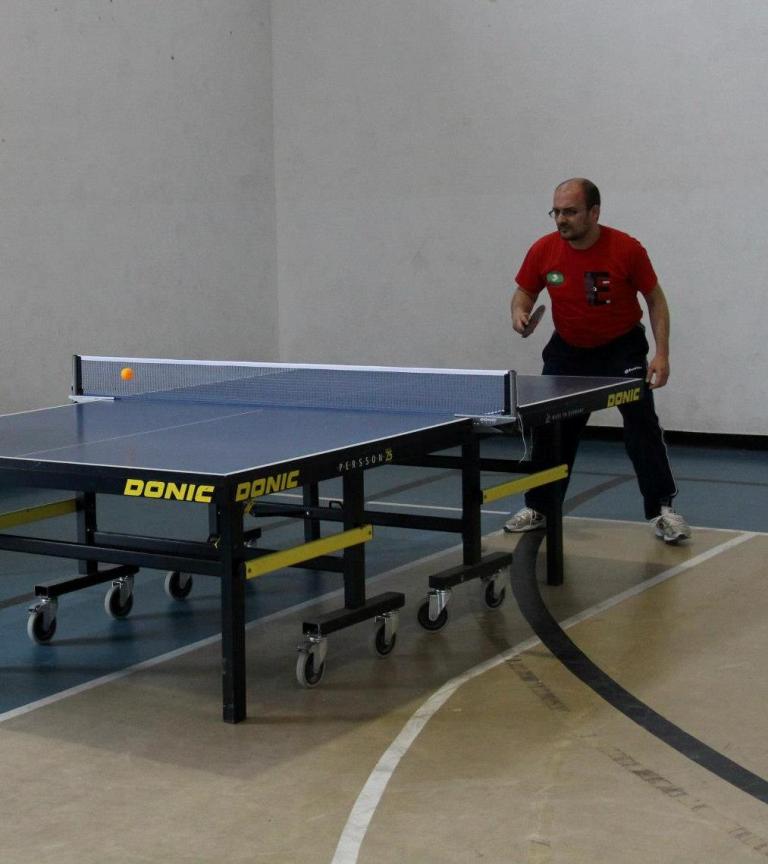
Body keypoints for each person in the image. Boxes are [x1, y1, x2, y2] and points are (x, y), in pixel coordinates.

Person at [504, 178, 691, 544]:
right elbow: (524, 292)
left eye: (570, 212)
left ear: (594, 212)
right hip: (568, 351)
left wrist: (662, 354)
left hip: (621, 349)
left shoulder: (626, 249)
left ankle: (662, 510)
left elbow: (655, 300)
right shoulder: (543, 250)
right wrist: (519, 313)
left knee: (641, 425)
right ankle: (540, 507)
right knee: (552, 429)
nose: (561, 219)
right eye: (556, 211)